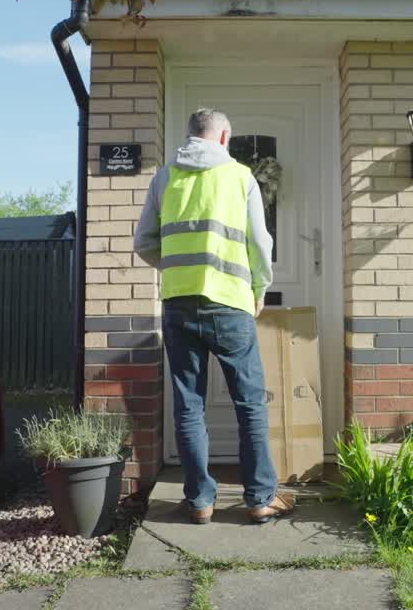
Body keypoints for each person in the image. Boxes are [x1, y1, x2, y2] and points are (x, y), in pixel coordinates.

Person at [134, 108, 295, 525]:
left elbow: (143, 243)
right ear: (223, 137)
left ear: (191, 137)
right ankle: (260, 498)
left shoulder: (165, 177)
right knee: (250, 403)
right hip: (230, 303)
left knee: (188, 406)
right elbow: (260, 243)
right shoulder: (240, 176)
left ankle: (200, 502)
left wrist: (174, 268)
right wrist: (259, 287)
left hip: (178, 303)